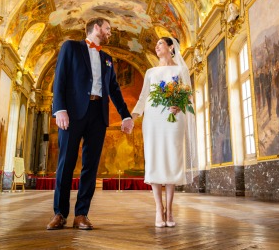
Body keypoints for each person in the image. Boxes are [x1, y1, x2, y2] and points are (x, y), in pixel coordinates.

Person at [47, 17, 134, 231]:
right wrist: (59, 109)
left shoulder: (107, 58)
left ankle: (81, 214)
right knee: (65, 163)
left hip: (98, 114)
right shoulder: (71, 47)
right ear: (96, 27)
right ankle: (60, 213)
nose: (109, 33)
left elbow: (114, 89)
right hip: (72, 113)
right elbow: (60, 78)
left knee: (90, 166)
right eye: (107, 29)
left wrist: (125, 115)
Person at [131, 37, 198, 228]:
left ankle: (170, 210)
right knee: (155, 161)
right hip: (153, 121)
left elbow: (189, 96)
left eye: (160, 43)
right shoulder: (150, 71)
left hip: (174, 119)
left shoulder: (181, 70)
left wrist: (181, 104)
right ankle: (158, 210)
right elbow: (144, 97)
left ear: (171, 47)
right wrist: (132, 118)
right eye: (156, 44)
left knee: (172, 160)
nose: (156, 46)